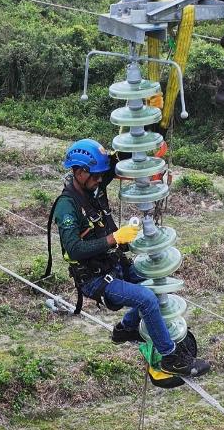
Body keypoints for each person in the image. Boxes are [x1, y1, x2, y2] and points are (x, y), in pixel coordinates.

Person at [47, 139, 211, 377]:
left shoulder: (95, 187)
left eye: (102, 175)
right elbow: (73, 249)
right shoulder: (67, 207)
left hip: (114, 265)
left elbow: (120, 159)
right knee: (145, 298)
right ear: (79, 172)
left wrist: (150, 129)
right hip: (95, 279)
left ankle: (126, 328)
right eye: (95, 175)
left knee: (154, 280)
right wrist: (113, 238)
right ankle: (170, 358)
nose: (100, 179)